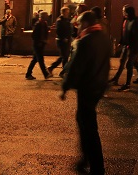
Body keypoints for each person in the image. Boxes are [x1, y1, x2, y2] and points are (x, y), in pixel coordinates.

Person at [60, 10, 111, 175]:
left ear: (86, 23)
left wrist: (65, 86)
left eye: (80, 24)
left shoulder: (85, 42)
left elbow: (76, 67)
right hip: (98, 86)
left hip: (87, 87)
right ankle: (86, 158)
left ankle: (96, 165)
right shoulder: (104, 38)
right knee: (84, 121)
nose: (78, 27)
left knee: (88, 126)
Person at [26, 11, 53, 80]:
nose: (47, 17)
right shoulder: (38, 24)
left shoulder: (44, 23)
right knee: (40, 60)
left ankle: (28, 74)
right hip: (37, 45)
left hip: (41, 44)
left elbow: (45, 33)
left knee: (35, 59)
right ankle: (46, 74)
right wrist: (39, 41)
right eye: (46, 16)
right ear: (43, 16)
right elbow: (33, 35)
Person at [48, 6, 73, 76]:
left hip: (67, 39)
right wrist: (64, 37)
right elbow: (59, 30)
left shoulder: (66, 20)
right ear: (63, 12)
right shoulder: (60, 20)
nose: (68, 13)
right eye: (66, 12)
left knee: (65, 56)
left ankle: (62, 71)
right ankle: (55, 68)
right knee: (64, 56)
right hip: (62, 40)